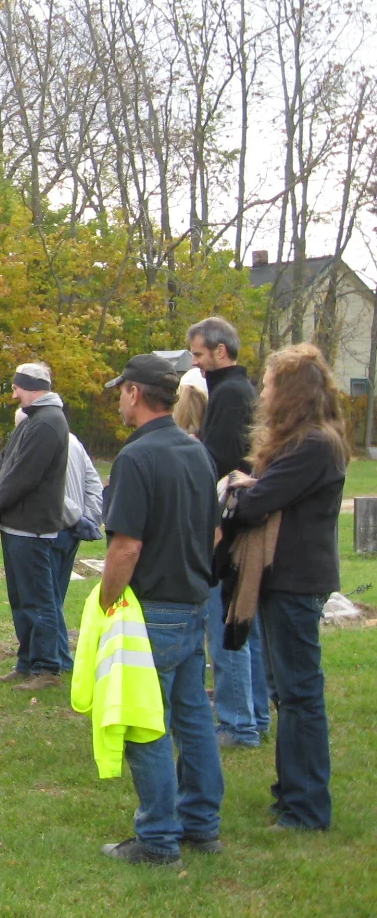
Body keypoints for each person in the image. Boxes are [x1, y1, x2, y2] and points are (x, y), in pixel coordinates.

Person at [98, 354, 224, 865]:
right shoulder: (196, 451)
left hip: (152, 608)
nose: (119, 400)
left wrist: (107, 603)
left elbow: (126, 545)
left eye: (121, 390)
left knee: (145, 722)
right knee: (192, 717)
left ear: (135, 392)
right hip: (194, 602)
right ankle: (202, 823)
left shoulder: (136, 457)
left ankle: (158, 839)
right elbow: (215, 531)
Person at [224, 344, 346, 831]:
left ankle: (307, 806)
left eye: (271, 383)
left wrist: (241, 488)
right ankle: (293, 794)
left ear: (291, 392)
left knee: (298, 694)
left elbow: (257, 501)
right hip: (285, 578)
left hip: (295, 579)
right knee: (286, 691)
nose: (264, 391)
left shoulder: (314, 444)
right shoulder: (304, 442)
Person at [188, 315, 269, 750]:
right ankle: (254, 715)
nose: (197, 364)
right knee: (241, 624)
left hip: (227, 525)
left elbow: (217, 462)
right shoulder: (235, 391)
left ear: (221, 351)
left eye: (200, 354)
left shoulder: (232, 394)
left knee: (227, 627)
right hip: (237, 522)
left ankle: (238, 724)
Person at [0, 362, 72, 689]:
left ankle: (47, 668)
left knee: (39, 600)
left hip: (32, 525)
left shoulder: (49, 422)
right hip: (17, 524)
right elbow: (7, 463)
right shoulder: (34, 420)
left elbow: (23, 475)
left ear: (32, 386)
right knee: (22, 599)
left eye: (17, 386)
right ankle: (27, 662)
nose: (14, 393)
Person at [47, 430, 104, 673]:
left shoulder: (46, 440)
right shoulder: (74, 440)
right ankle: (59, 654)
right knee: (56, 597)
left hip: (55, 526)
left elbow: (51, 488)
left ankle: (61, 657)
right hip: (74, 529)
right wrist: (90, 517)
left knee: (48, 599)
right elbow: (93, 481)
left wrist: (79, 518)